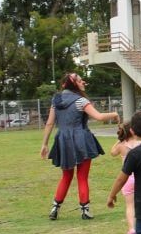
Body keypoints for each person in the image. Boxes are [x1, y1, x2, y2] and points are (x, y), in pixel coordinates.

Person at [41, 72, 119, 220]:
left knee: (66, 176)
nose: (83, 82)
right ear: (73, 84)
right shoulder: (81, 101)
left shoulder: (56, 100)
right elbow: (99, 117)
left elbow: (50, 123)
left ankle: (55, 209)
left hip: (63, 140)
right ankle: (85, 210)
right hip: (81, 140)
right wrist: (114, 114)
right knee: (82, 177)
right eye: (80, 80)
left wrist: (44, 144)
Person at [110, 122, 140, 234]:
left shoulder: (122, 145)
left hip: (127, 178)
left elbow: (112, 152)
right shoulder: (140, 143)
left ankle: (132, 228)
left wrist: (119, 140)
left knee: (130, 205)